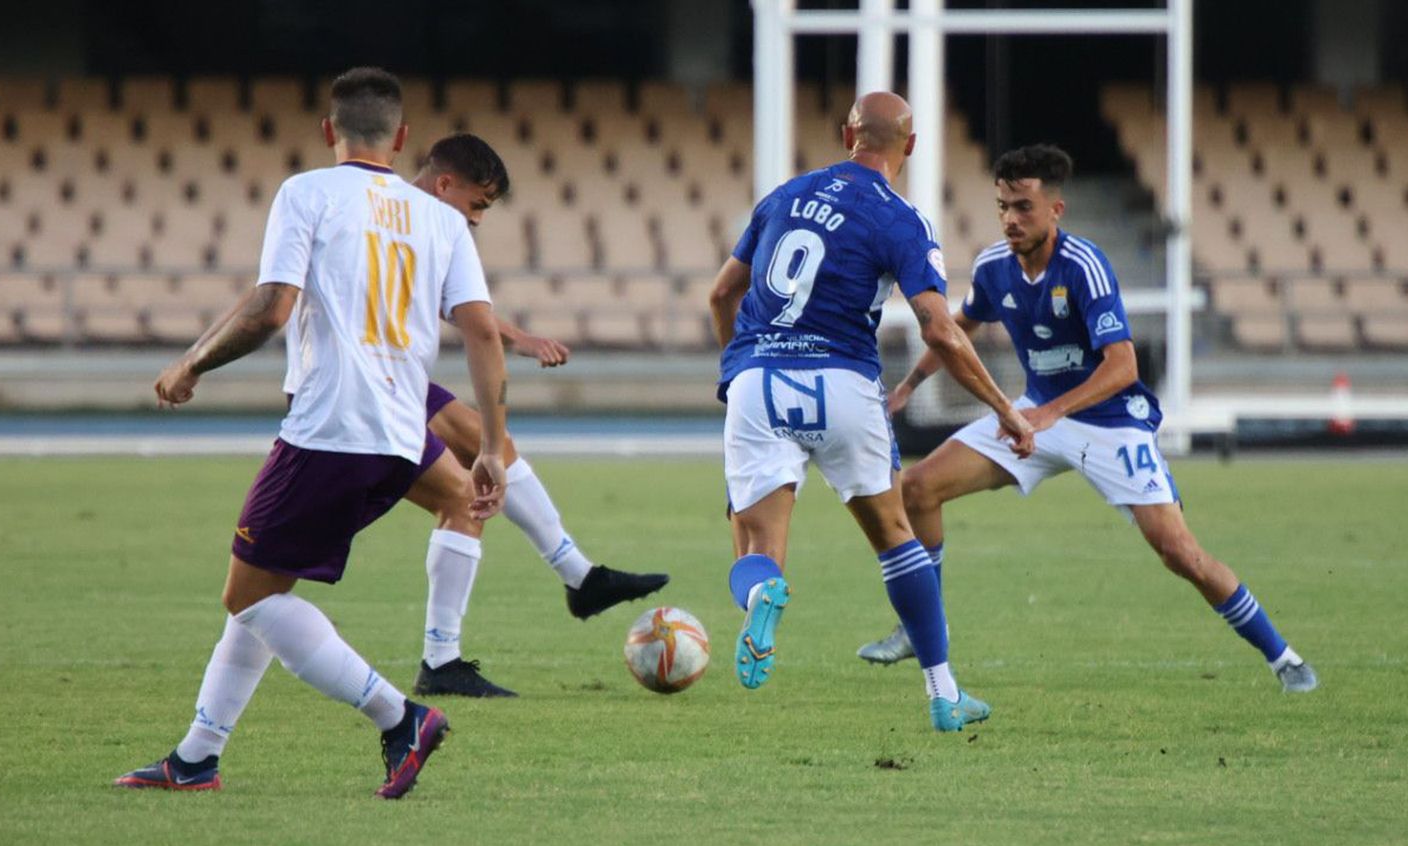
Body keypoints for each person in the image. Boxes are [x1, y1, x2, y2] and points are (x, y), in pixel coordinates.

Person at [114, 67, 510, 798]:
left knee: (252, 597)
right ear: (403, 138)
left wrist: (194, 362)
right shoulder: (443, 220)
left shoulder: (307, 193)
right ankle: (198, 756)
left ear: (329, 130)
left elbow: (271, 308)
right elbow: (483, 333)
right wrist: (488, 444)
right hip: (399, 439)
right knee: (263, 584)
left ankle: (399, 717)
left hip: (330, 425)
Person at [855, 144, 1319, 694]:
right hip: (1036, 415)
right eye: (1003, 206)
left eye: (1023, 207)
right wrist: (907, 387)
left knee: (1179, 553)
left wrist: (1048, 414)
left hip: (1109, 423)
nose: (1010, 219)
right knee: (917, 488)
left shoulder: (1084, 267)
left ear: (1056, 210)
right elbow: (956, 331)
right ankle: (920, 629)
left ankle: (1284, 658)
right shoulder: (993, 268)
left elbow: (1123, 366)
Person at [706, 91, 1035, 732]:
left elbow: (723, 293)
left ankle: (761, 594)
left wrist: (735, 369)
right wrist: (1005, 408)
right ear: (908, 147)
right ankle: (944, 696)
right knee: (893, 536)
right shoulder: (900, 219)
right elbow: (940, 329)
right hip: (843, 380)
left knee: (756, 544)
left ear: (844, 134)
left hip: (760, 376)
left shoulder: (783, 197)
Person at [379, 133, 672, 697]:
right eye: (477, 204)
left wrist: (517, 337)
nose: (478, 219)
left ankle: (581, 577)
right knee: (467, 496)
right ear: (445, 184)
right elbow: (474, 325)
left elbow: (460, 308)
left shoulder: (410, 216)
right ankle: (441, 661)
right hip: (365, 392)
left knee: (487, 440)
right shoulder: (411, 217)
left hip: (399, 381)